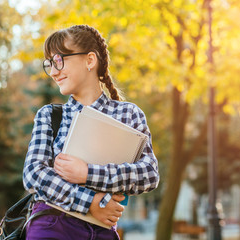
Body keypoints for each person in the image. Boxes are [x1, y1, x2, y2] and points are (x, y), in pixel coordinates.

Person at [22, 24, 160, 240]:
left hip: (102, 232)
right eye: (49, 64)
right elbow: (33, 174)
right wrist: (89, 203)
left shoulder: (129, 114)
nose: (53, 72)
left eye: (59, 60)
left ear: (89, 60)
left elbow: (149, 174)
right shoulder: (49, 115)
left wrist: (87, 173)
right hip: (52, 226)